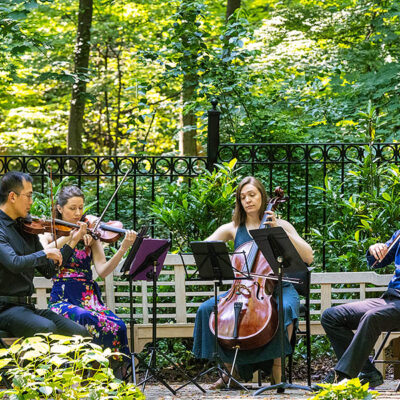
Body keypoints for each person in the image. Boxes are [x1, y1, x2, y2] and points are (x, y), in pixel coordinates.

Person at [192, 176, 314, 388]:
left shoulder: (280, 224)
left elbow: (308, 256)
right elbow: (204, 247)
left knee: (284, 309)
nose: (247, 200)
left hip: (279, 288)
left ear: (262, 196)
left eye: (252, 195)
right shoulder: (233, 228)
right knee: (206, 309)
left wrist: (280, 231)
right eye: (242, 197)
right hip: (241, 290)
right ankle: (229, 372)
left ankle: (278, 373)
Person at [39, 185, 136, 374]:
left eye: (81, 208)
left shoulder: (91, 234)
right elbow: (45, 251)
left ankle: (112, 376)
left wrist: (123, 248)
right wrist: (71, 236)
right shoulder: (49, 232)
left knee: (118, 325)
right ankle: (85, 374)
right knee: (84, 318)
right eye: (72, 208)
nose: (78, 213)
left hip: (89, 298)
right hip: (63, 299)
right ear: (59, 208)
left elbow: (103, 271)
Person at [0, 171, 89, 339]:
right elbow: (14, 263)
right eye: (28, 196)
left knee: (80, 333)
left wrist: (72, 242)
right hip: (3, 309)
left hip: (26, 308)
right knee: (46, 329)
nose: (31, 202)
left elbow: (49, 271)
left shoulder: (26, 227)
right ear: (12, 196)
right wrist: (44, 252)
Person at [319, 231, 400, 388]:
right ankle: (368, 373)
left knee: (372, 316)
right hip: (391, 299)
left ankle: (342, 376)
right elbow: (378, 261)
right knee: (331, 316)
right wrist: (374, 249)